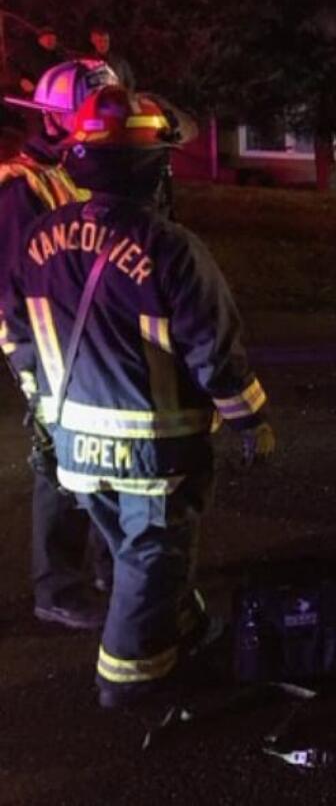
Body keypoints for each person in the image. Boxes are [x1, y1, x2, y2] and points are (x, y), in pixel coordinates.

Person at [1, 85, 275, 709]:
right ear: (155, 167)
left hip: (75, 448)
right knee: (154, 555)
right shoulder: (173, 249)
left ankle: (179, 631)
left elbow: (14, 331)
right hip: (154, 452)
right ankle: (130, 678)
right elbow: (215, 351)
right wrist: (250, 421)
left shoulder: (40, 237)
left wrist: (44, 411)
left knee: (135, 556)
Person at [1, 59, 120, 630]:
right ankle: (58, 588)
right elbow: (10, 289)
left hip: (89, 344)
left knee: (102, 454)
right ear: (58, 117)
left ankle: (106, 567)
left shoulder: (81, 172)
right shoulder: (18, 188)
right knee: (57, 463)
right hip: (46, 349)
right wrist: (29, 364)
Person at [87, 25, 136, 90]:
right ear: (93, 41)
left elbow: (130, 82)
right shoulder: (87, 63)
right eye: (100, 41)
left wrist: (125, 96)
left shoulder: (120, 62)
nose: (103, 44)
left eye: (106, 41)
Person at [18, 28, 62, 96]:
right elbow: (15, 66)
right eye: (47, 38)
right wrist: (22, 80)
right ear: (40, 40)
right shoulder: (29, 53)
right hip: (32, 93)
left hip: (52, 92)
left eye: (53, 39)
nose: (50, 41)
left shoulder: (57, 56)